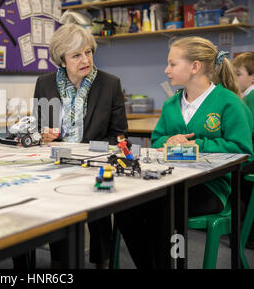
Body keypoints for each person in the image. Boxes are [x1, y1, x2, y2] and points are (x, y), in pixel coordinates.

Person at [115, 36, 253, 268]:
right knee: (125, 208)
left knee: (162, 208)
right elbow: (158, 140)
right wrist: (170, 140)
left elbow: (243, 150)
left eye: (172, 64)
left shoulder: (229, 102)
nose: (167, 70)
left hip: (211, 187)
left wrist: (196, 145)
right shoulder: (171, 105)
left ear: (195, 66)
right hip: (169, 180)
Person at [31, 23, 128, 269]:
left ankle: (102, 261)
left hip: (97, 161)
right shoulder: (45, 83)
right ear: (62, 60)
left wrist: (87, 152)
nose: (85, 59)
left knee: (99, 206)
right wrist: (43, 135)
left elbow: (118, 135)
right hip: (57, 161)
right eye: (76, 55)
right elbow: (38, 127)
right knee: (56, 208)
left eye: (89, 52)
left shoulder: (110, 83)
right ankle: (57, 261)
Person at [233, 51, 254, 249]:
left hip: (252, 158)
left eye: (238, 74)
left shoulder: (251, 97)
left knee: (232, 172)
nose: (235, 78)